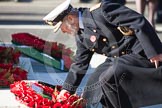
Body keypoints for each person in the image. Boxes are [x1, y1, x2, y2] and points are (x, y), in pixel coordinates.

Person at [43, 0, 162, 107]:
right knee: (90, 89)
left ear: (70, 18)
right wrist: (66, 90)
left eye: (62, 27)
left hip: (138, 52)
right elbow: (80, 64)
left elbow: (137, 21)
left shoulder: (103, 10)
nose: (63, 32)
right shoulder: (80, 35)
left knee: (108, 77)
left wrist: (154, 52)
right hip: (117, 58)